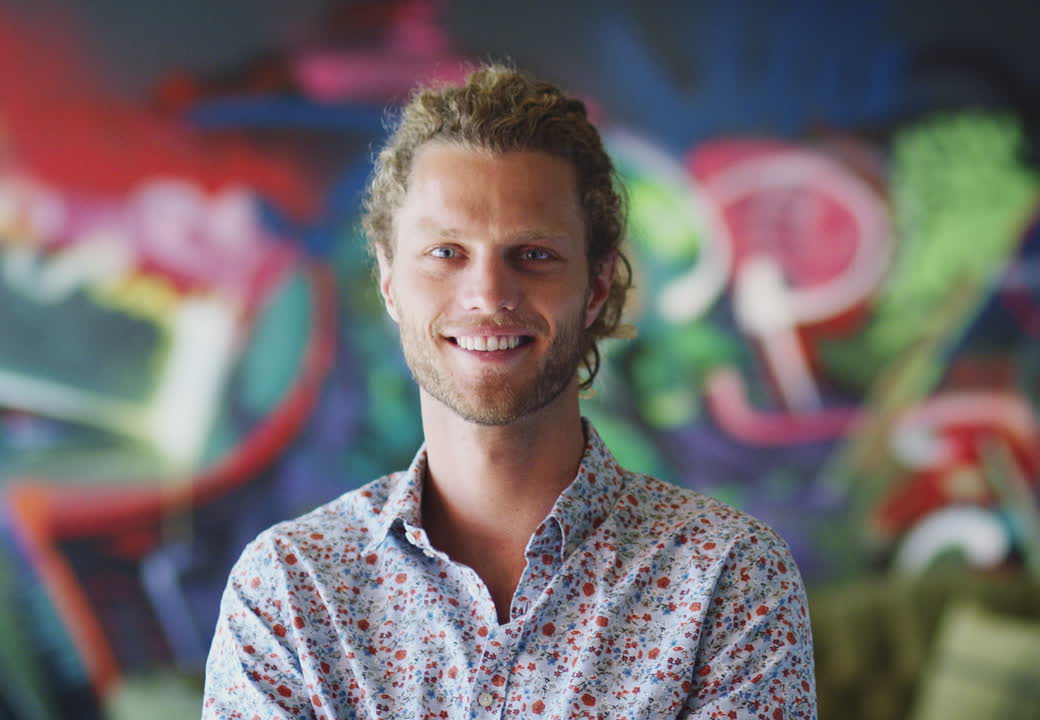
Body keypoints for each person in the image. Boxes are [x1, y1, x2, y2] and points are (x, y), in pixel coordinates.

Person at [202, 64, 816, 719]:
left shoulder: (729, 577)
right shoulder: (291, 590)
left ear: (599, 286)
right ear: (388, 280)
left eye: (534, 255)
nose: (489, 295)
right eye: (445, 253)